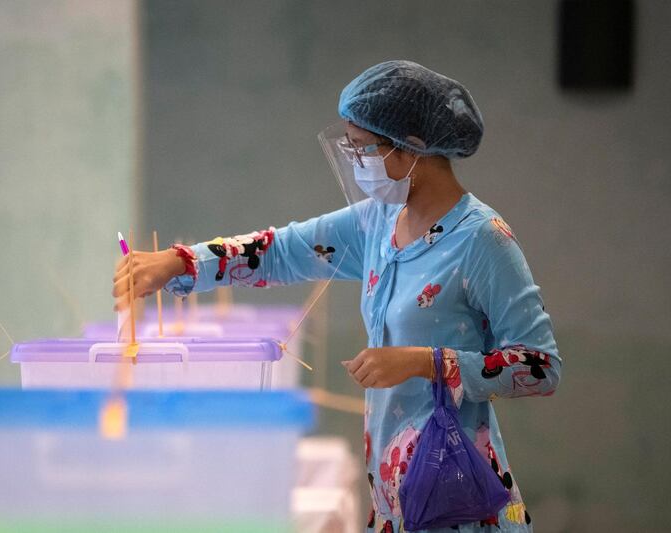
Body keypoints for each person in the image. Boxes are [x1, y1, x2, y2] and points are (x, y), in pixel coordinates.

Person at [112, 60, 561, 532]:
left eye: (365, 148)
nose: (357, 161)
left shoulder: (482, 240)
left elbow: (541, 366)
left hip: (459, 493)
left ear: (415, 147)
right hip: (394, 494)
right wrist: (182, 263)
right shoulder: (378, 223)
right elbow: (281, 251)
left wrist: (425, 362)